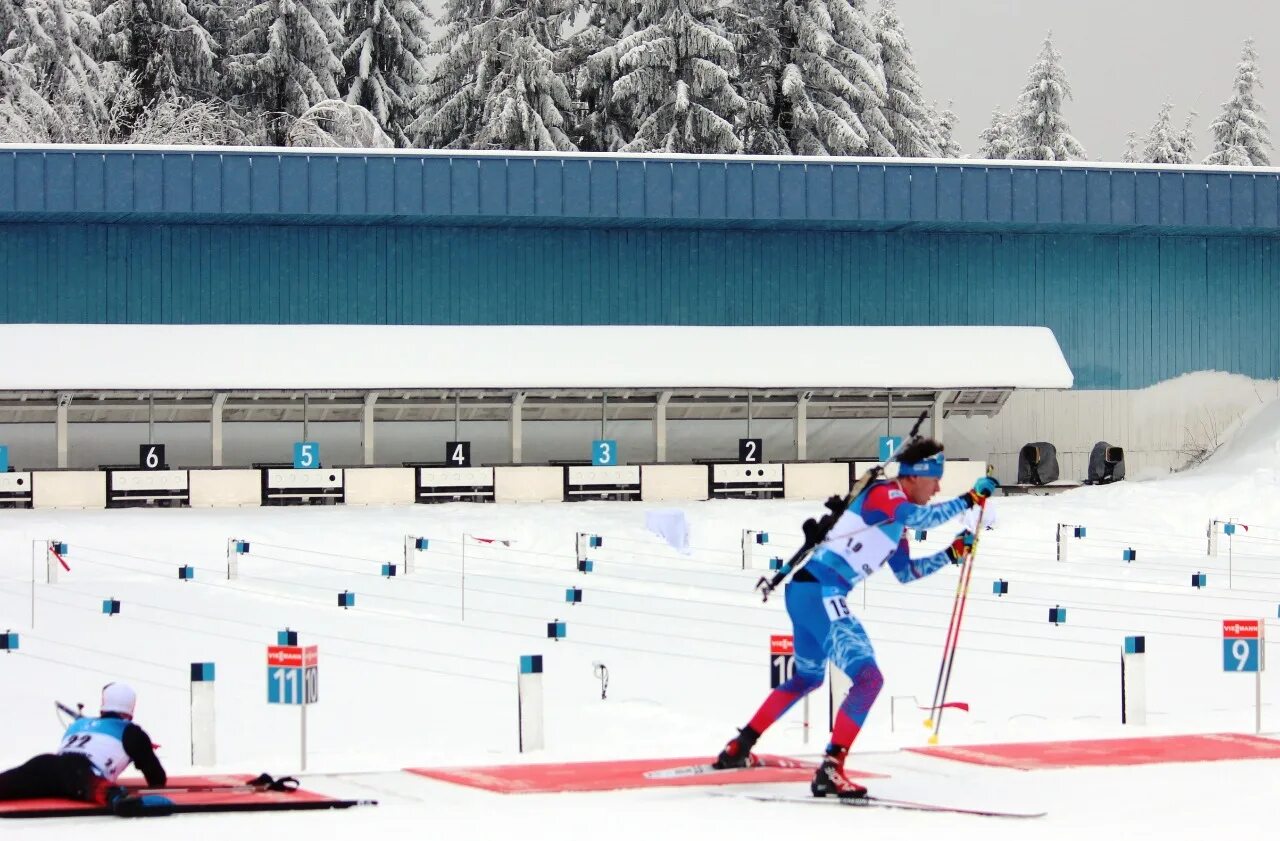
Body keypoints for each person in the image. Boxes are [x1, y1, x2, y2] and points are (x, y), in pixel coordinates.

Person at [712, 440, 998, 798]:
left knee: (808, 677)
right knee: (868, 678)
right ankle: (831, 769)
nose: (938, 488)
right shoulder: (886, 495)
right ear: (915, 477)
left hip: (808, 593)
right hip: (820, 593)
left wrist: (951, 553)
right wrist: (969, 499)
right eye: (935, 480)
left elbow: (907, 572)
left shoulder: (897, 518)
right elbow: (921, 517)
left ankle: (739, 748)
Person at [0, 682, 166, 806]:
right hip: (79, 770)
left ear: (103, 706)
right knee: (92, 785)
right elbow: (157, 778)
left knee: (10, 783)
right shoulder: (132, 732)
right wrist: (142, 752)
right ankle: (118, 800)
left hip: (46, 763)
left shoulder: (79, 724)